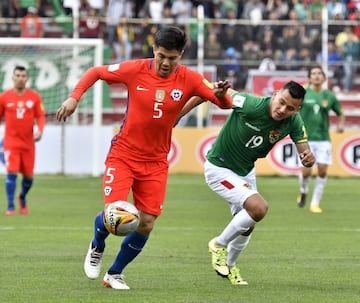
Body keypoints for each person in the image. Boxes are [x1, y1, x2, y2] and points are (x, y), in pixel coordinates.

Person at [55, 26, 232, 290]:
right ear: (154, 50)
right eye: (161, 56)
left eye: (172, 58)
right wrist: (74, 98)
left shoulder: (190, 79)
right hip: (123, 154)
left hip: (156, 162)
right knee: (114, 214)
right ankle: (97, 245)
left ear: (181, 55)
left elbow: (225, 103)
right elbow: (96, 72)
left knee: (146, 224)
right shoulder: (135, 69)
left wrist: (219, 96)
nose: (165, 63)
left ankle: (114, 273)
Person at [176, 81, 315, 285]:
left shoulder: (293, 121)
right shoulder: (251, 104)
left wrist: (307, 157)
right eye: (281, 102)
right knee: (259, 208)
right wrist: (179, 114)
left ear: (297, 109)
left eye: (290, 108)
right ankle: (218, 244)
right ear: (276, 94)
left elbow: (304, 149)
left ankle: (230, 267)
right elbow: (207, 92)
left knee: (248, 224)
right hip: (220, 168)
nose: (282, 110)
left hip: (245, 171)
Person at [296, 65, 345, 213]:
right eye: (313, 73)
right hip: (305, 139)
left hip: (323, 138)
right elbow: (293, 110)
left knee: (322, 171)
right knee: (306, 172)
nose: (316, 76)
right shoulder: (303, 93)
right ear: (309, 77)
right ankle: (303, 191)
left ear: (324, 78)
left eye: (319, 73)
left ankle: (314, 204)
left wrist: (340, 124)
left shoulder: (329, 96)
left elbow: (340, 113)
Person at [0, 65, 46, 215]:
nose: (20, 78)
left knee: (29, 177)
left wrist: (40, 130)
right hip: (11, 142)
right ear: (13, 78)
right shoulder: (4, 97)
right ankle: (11, 205)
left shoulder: (34, 97)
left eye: (23, 76)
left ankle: (22, 196)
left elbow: (40, 115)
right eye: (17, 75)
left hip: (28, 143)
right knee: (11, 172)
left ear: (27, 79)